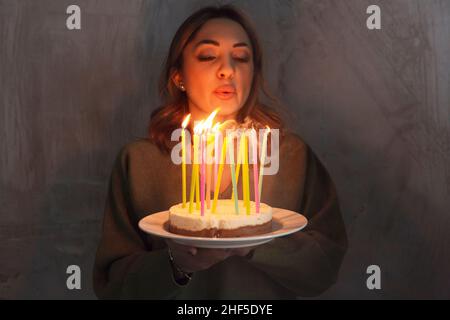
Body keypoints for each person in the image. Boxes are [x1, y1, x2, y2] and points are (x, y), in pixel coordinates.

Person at [93, 5, 347, 299]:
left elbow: (324, 269)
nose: (228, 70)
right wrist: (175, 265)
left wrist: (258, 242)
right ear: (179, 76)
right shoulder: (139, 162)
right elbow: (113, 287)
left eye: (241, 58)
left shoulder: (291, 157)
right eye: (208, 56)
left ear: (253, 73)